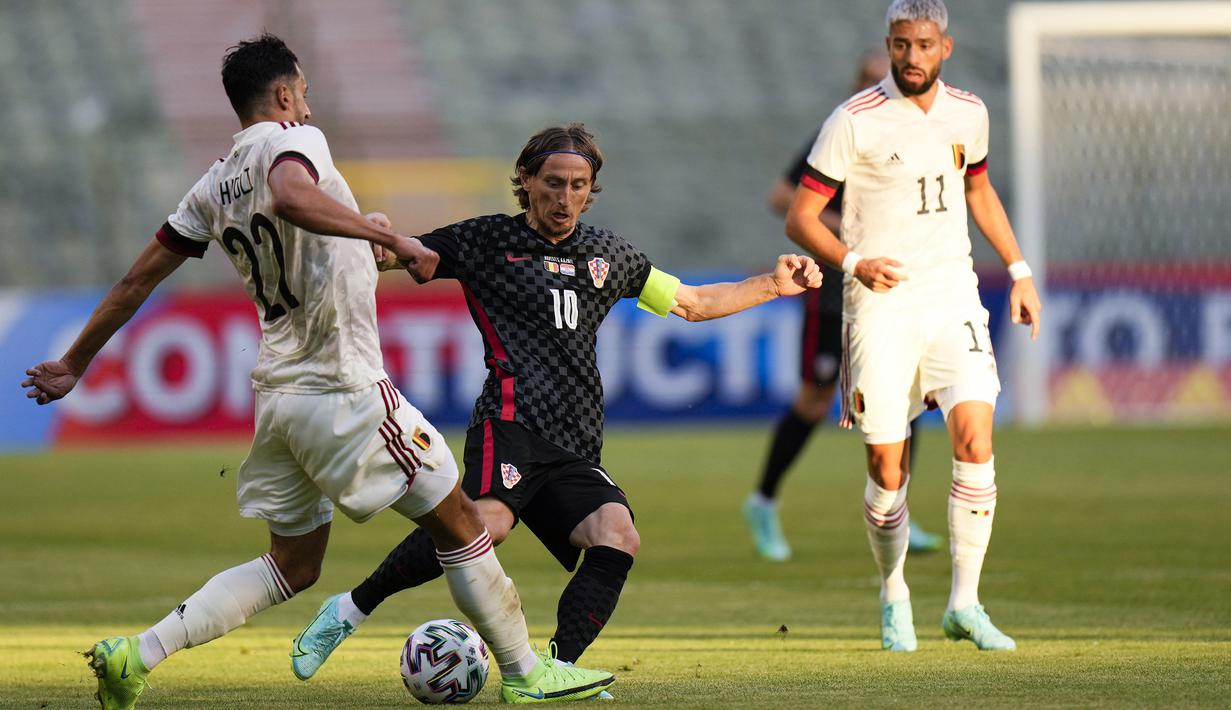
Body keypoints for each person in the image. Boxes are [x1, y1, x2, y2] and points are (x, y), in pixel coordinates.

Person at [20, 34, 614, 708]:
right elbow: (292, 196)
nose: (307, 103)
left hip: (280, 398)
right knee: (463, 525)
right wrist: (386, 236)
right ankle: (524, 673)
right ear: (282, 96)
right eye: (301, 92)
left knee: (292, 566)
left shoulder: (211, 185)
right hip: (346, 389)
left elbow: (135, 281)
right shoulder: (290, 143)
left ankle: (138, 654)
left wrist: (75, 362)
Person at [288, 123, 822, 687]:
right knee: (484, 527)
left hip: (575, 442)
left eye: (577, 185)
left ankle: (552, 670)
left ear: (590, 189)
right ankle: (347, 611)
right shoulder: (487, 241)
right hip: (511, 422)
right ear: (526, 180)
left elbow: (691, 303)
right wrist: (380, 240)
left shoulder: (608, 254)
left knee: (617, 535)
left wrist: (772, 283)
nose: (564, 197)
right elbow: (412, 258)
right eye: (553, 183)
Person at [784, 0, 1042, 653]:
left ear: (943, 48)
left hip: (952, 292)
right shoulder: (853, 120)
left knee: (975, 439)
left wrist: (1017, 271)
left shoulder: (969, 112)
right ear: (889, 44)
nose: (911, 56)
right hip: (880, 304)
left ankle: (963, 603)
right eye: (900, 44)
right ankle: (893, 589)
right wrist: (853, 262)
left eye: (923, 44)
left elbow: (978, 189)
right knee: (886, 469)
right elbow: (800, 216)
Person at [743, 50, 943, 562]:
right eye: (874, 80)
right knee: (814, 399)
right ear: (858, 86)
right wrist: (850, 235)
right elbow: (781, 196)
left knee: (905, 398)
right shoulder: (837, 133)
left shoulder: (915, 136)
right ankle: (763, 501)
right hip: (835, 291)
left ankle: (896, 507)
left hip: (893, 292)